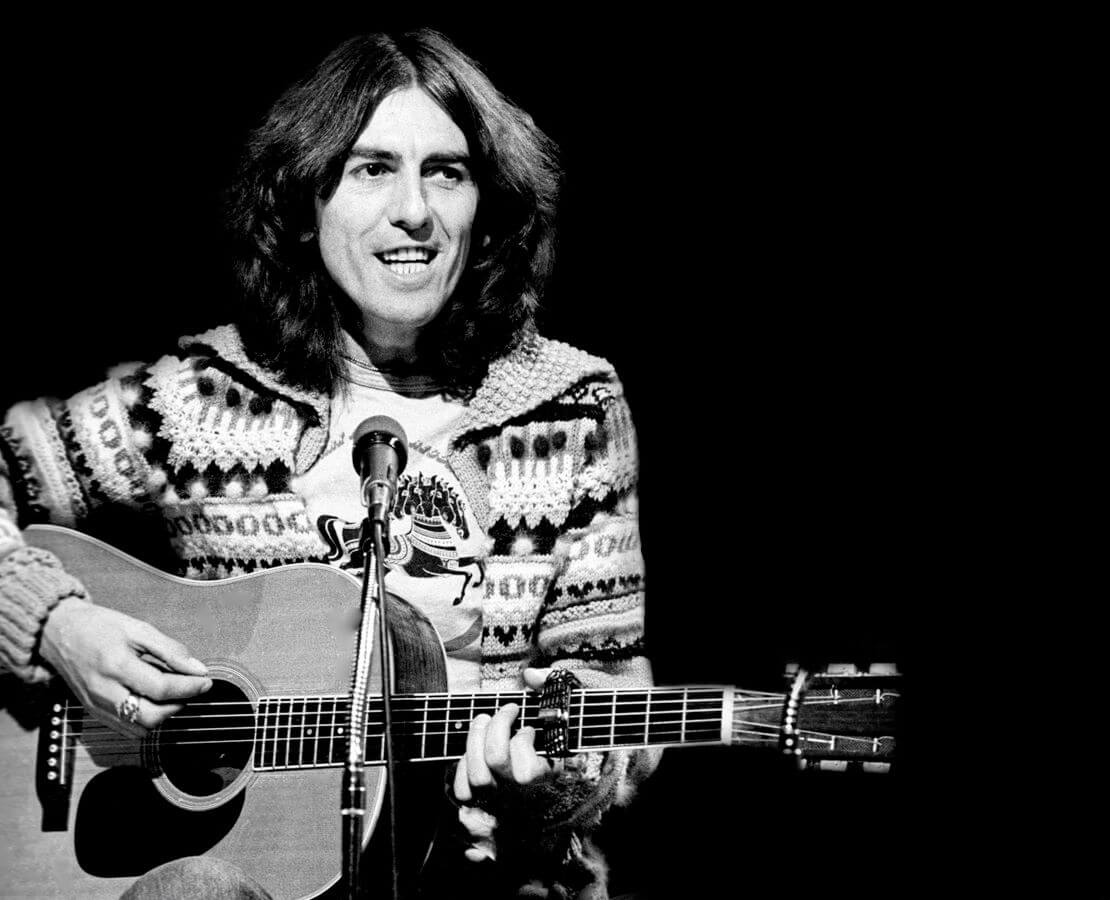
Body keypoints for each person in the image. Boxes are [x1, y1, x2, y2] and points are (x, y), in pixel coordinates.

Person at [0, 28, 653, 899]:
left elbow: (614, 690)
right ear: (307, 205)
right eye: (372, 168)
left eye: (447, 172)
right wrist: (53, 623)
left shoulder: (568, 408)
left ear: (485, 208)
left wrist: (555, 786)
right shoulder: (203, 396)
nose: (414, 210)